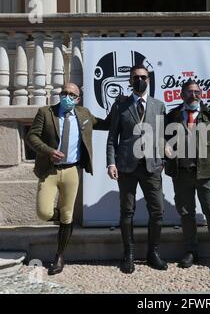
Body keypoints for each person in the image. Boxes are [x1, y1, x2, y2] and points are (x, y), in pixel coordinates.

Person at [26, 82, 110, 275]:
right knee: (44, 212)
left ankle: (60, 255)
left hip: (72, 171)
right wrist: (48, 151)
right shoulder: (46, 112)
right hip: (50, 170)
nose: (67, 96)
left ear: (78, 99)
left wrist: (118, 106)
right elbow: (32, 136)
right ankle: (64, 218)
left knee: (67, 214)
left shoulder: (84, 114)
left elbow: (105, 124)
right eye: (64, 93)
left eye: (72, 94)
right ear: (60, 94)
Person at [107, 64, 167, 274]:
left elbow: (162, 136)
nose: (139, 80)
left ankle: (153, 253)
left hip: (152, 167)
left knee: (158, 211)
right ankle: (128, 254)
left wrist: (162, 160)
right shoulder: (120, 105)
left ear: (148, 79)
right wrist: (111, 162)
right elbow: (112, 138)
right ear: (130, 81)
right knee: (127, 212)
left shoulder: (158, 106)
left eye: (143, 77)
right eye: (135, 77)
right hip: (126, 167)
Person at [164, 79, 210, 273]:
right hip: (181, 174)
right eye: (190, 92)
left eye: (197, 92)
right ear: (182, 95)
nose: (194, 95)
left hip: (206, 173)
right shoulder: (173, 115)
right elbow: (162, 138)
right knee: (186, 213)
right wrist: (164, 147)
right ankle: (191, 251)